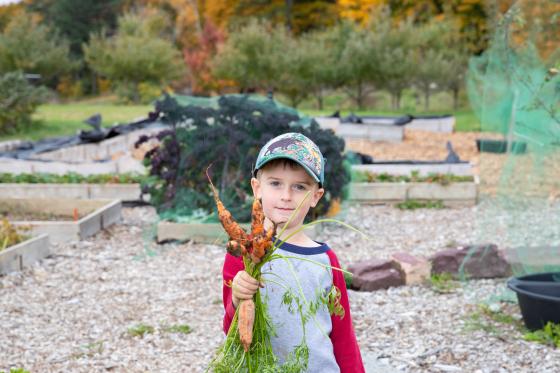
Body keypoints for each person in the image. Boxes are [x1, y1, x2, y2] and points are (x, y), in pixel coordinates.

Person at [222, 132, 365, 372]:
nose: (286, 196)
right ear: (257, 188)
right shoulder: (243, 252)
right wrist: (237, 298)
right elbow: (231, 330)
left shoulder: (325, 260)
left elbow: (343, 337)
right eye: (275, 183)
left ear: (315, 197)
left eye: (299, 187)